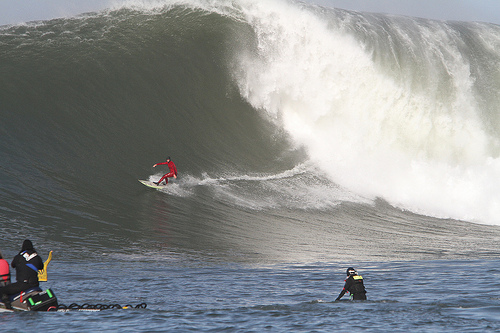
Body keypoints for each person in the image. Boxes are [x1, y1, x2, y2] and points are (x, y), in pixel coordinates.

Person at [0, 240, 44, 309]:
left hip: (22, 284)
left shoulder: (19, 257)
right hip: (35, 284)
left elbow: (13, 265)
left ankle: (8, 307)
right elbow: (41, 267)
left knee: (2, 291)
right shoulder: (37, 257)